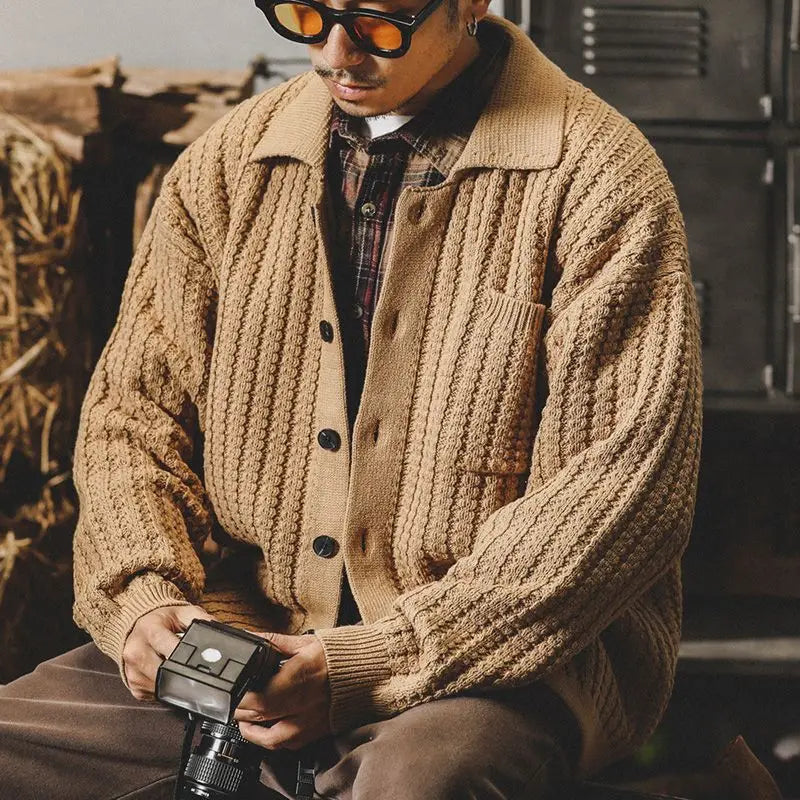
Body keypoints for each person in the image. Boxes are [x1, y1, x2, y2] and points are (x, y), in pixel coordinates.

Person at [0, 0, 703, 796]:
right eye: (306, 12)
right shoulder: (227, 164)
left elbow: (618, 490)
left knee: (418, 783)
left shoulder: (601, 176)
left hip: (491, 659)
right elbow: (132, 418)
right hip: (239, 634)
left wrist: (371, 662)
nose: (335, 51)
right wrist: (142, 600)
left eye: (379, 22)